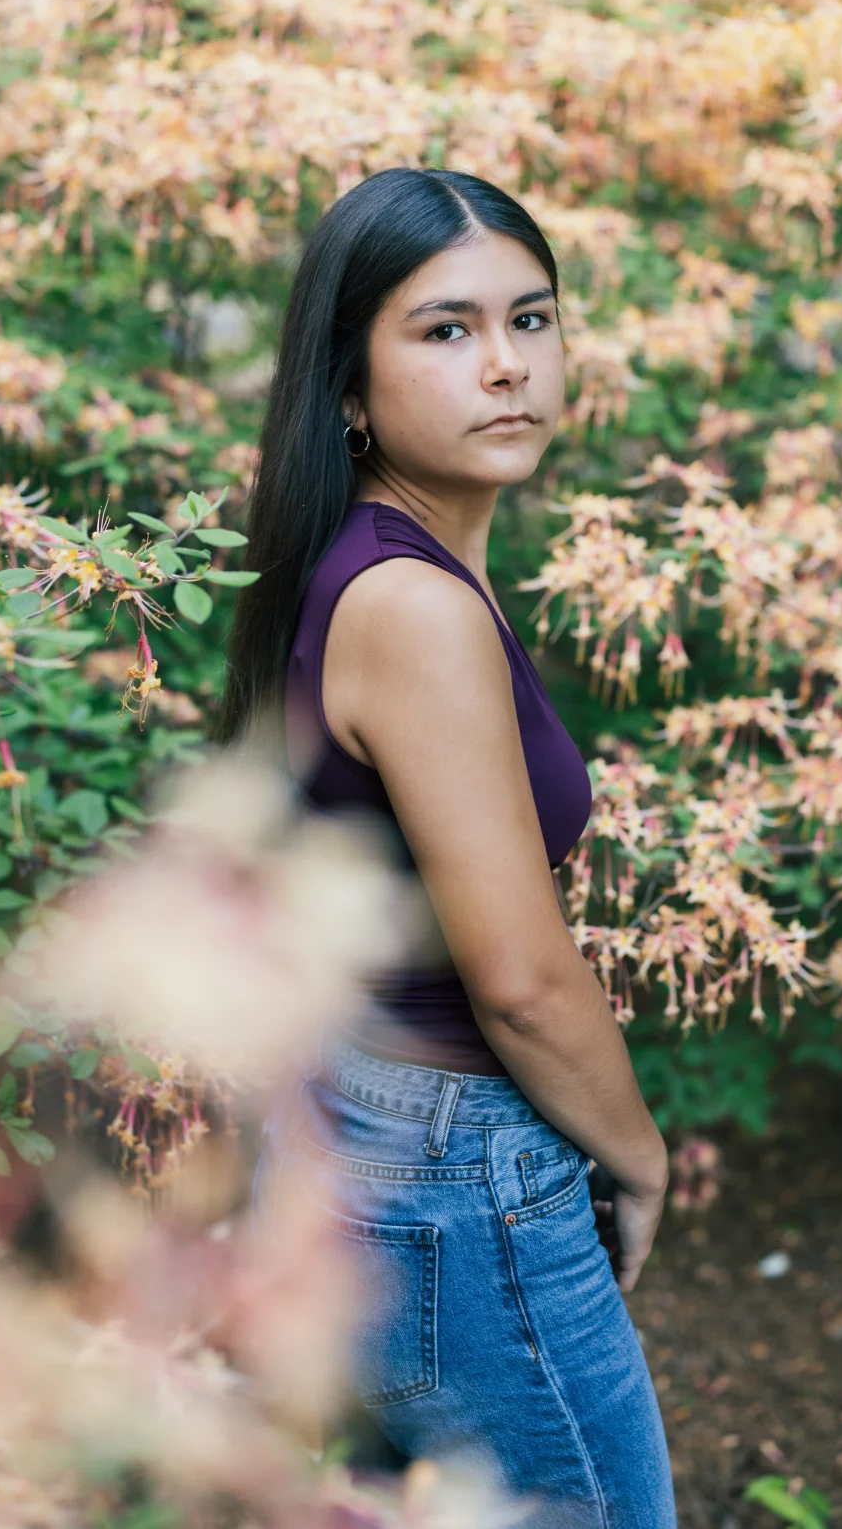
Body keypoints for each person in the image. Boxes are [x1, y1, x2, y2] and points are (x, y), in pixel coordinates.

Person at [223, 168, 676, 1529]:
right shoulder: (413, 605)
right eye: (444, 329)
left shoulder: (369, 564)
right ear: (348, 388)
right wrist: (641, 1160)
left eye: (531, 319)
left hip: (355, 1142)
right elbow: (522, 984)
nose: (507, 365)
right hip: (453, 1183)